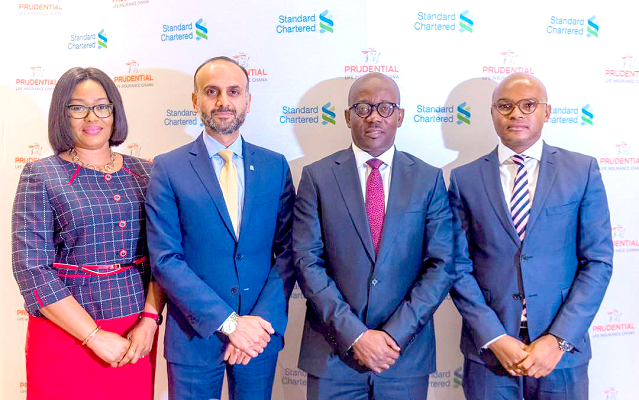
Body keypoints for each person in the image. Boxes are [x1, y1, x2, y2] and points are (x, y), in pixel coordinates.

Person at [449, 72, 613, 400]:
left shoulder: (581, 171)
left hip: (562, 354)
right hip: (490, 355)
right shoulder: (464, 179)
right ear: (493, 113)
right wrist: (495, 337)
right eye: (505, 106)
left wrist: (558, 340)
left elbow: (597, 262)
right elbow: (455, 265)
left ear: (547, 112)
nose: (516, 113)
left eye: (528, 104)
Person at [293, 72, 454, 400]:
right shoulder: (317, 177)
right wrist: (355, 335)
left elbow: (442, 264)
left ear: (400, 116)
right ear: (348, 116)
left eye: (385, 107)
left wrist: (392, 336)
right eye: (363, 107)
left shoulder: (428, 178)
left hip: (404, 356)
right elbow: (307, 262)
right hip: (333, 355)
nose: (374, 116)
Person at [145, 56, 295, 400]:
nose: (223, 101)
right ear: (196, 100)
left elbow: (289, 252)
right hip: (194, 338)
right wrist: (230, 324)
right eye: (212, 92)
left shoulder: (275, 166)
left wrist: (258, 324)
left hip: (260, 335)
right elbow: (166, 260)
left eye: (233, 91)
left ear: (248, 100)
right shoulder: (168, 168)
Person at [12, 67, 165, 400]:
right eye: (77, 107)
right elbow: (31, 269)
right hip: (65, 333)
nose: (91, 117)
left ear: (114, 111)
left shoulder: (147, 171)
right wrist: (94, 336)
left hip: (134, 333)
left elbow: (163, 255)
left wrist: (151, 320)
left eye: (101, 106)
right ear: (62, 115)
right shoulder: (41, 175)